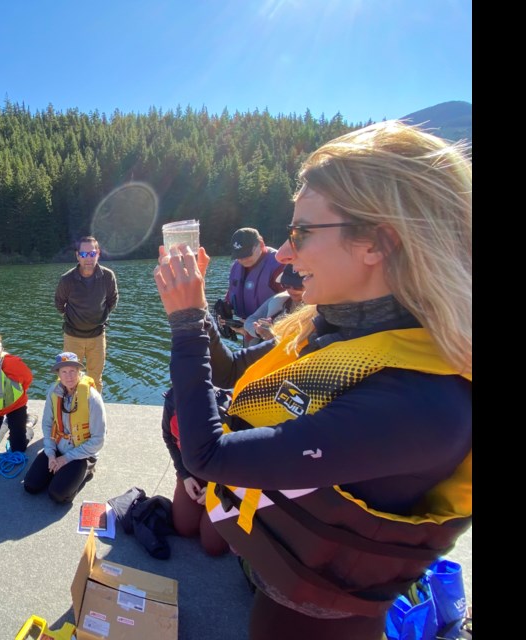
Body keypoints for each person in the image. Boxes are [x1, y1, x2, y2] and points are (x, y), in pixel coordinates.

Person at [153, 121, 471, 640]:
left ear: (377, 243)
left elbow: (207, 456)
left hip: (321, 616)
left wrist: (186, 324)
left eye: (301, 232)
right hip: (282, 574)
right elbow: (236, 369)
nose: (283, 253)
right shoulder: (331, 328)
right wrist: (199, 308)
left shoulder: (420, 402)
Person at [24, 352, 106, 503]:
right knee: (30, 485)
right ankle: (61, 472)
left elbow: (98, 440)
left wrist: (67, 459)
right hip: (58, 446)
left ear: (79, 371)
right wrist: (50, 453)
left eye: (73, 371)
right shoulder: (53, 392)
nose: (69, 376)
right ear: (58, 374)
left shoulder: (92, 398)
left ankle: (88, 469)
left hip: (82, 454)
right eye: (64, 372)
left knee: (58, 495)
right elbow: (47, 423)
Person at [160, 387, 230, 557]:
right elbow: (169, 438)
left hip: (225, 479)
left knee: (214, 547)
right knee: (184, 528)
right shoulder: (172, 399)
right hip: (192, 471)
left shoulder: (225, 406)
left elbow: (241, 457)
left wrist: (217, 489)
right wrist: (184, 475)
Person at [54, 236, 118, 393]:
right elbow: (59, 304)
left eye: (91, 253)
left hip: (97, 336)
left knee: (95, 379)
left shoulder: (107, 277)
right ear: (77, 256)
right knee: (69, 378)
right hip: (72, 336)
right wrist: (75, 319)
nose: (88, 258)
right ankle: (69, 412)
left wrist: (99, 317)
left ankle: (94, 413)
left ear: (98, 254)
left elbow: (112, 300)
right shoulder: (67, 279)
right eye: (83, 254)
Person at [222, 227, 285, 345]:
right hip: (247, 333)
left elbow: (293, 304)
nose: (243, 260)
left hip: (271, 337)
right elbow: (230, 295)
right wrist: (226, 318)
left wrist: (255, 327)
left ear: (261, 244)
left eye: (246, 254)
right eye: (239, 256)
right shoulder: (236, 267)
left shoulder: (279, 265)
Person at [243, 264, 307, 342]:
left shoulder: (318, 307)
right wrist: (259, 331)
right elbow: (251, 320)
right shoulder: (280, 299)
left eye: (298, 286)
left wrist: (276, 337)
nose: (291, 290)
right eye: (286, 285)